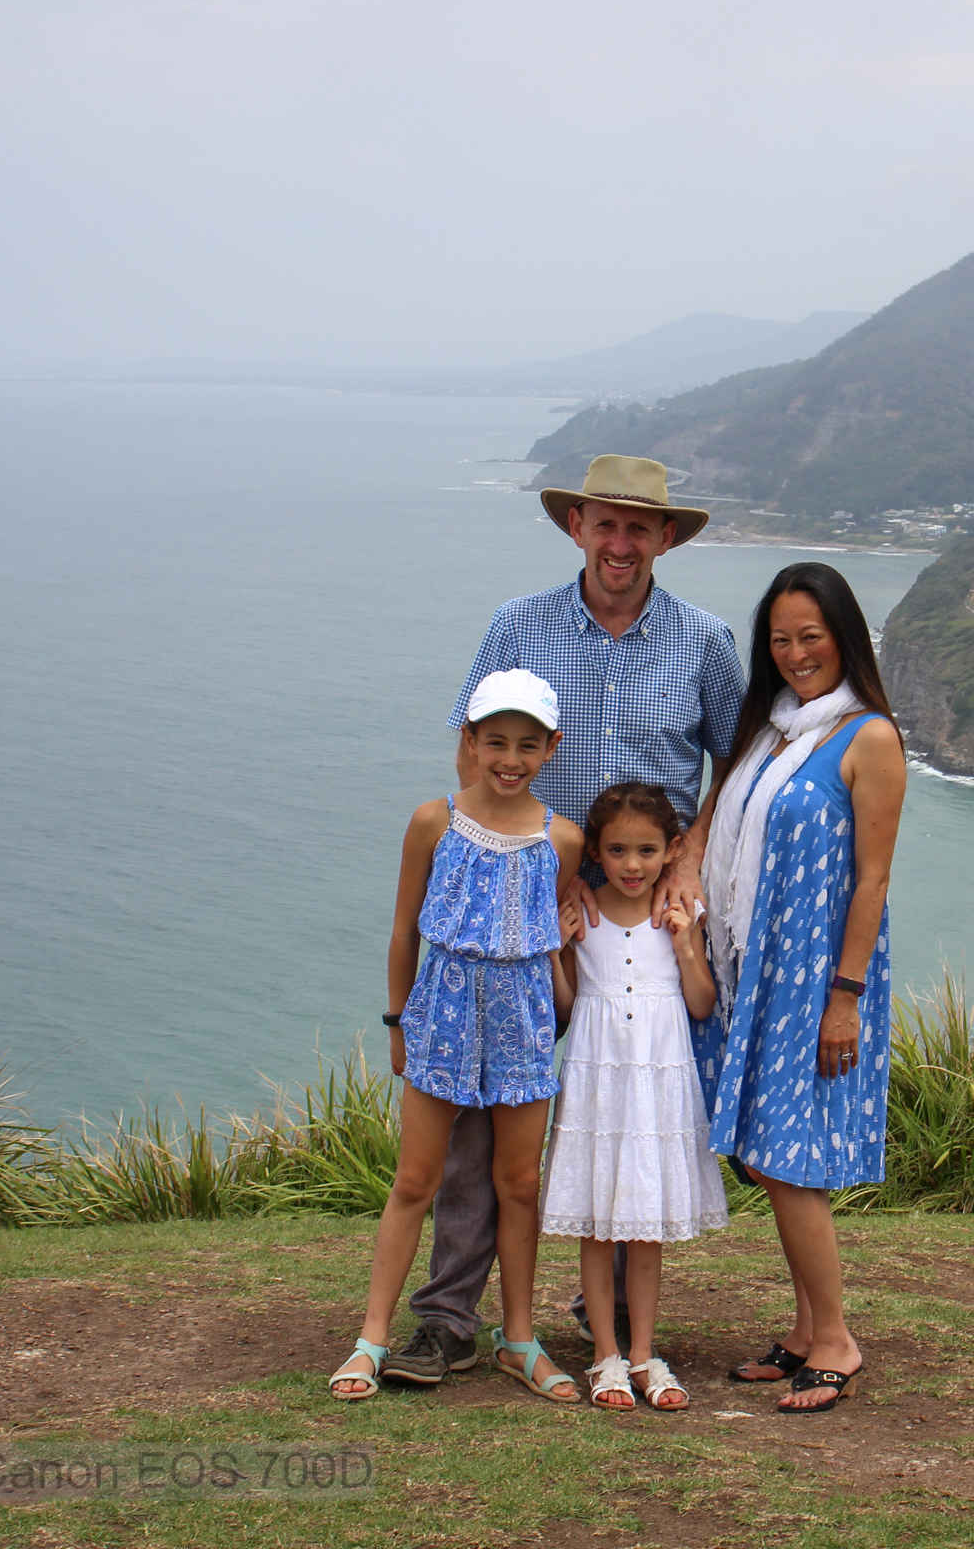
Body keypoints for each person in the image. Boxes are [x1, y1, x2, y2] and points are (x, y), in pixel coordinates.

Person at [378, 454, 745, 1390]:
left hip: (647, 912)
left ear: (666, 538)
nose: (620, 544)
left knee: (631, 1096)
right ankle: (447, 1318)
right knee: (480, 1122)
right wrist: (532, 875)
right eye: (604, 524)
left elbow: (736, 765)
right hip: (533, 912)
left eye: (639, 528)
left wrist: (688, 861)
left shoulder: (702, 642)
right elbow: (476, 758)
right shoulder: (519, 625)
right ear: (576, 527)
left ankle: (609, 1307)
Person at [328, 670, 585, 1403]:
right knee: (416, 1180)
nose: (510, 758)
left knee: (520, 1184)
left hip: (523, 1027)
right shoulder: (431, 822)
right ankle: (371, 1339)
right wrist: (396, 1019)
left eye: (527, 745)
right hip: (440, 1019)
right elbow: (404, 930)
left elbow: (550, 943)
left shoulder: (561, 839)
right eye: (495, 741)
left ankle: (520, 1339)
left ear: (550, 748)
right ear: (468, 742)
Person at [695, 562, 905, 1413]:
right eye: (780, 640)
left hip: (817, 980)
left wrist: (844, 996)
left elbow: (873, 882)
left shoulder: (869, 738)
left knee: (790, 1163)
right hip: (755, 972)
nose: (794, 655)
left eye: (810, 637)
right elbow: (719, 822)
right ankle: (806, 1326)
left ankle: (837, 1341)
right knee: (766, 1156)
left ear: (843, 637)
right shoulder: (772, 730)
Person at [539, 781, 727, 1409]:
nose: (631, 865)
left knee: (644, 1229)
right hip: (597, 1080)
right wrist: (559, 951)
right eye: (617, 851)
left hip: (655, 1084)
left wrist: (683, 943)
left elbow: (700, 1004)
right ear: (596, 850)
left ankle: (645, 1353)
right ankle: (604, 1356)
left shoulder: (679, 912)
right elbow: (566, 1008)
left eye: (647, 851)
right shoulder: (582, 910)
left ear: (672, 850)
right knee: (597, 1223)